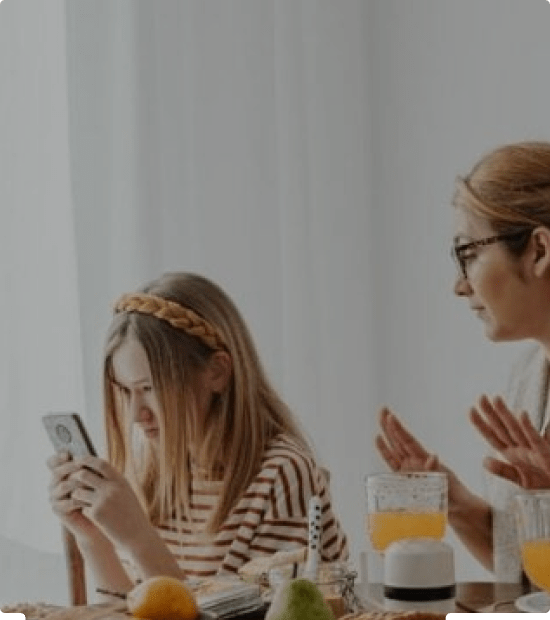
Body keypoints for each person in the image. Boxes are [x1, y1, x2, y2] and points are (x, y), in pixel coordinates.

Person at [47, 272, 348, 594]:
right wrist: (92, 537)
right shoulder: (153, 471)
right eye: (125, 391)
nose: (136, 414)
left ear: (216, 372)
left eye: (150, 388)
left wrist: (139, 539)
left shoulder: (281, 475)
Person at [375, 140, 550, 581]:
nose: (459, 285)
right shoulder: (528, 378)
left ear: (539, 251)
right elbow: (523, 579)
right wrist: (454, 502)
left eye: (468, 254)